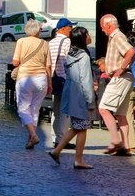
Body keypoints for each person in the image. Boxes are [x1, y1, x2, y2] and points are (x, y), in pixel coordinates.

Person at [48, 26, 97, 169]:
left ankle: (57, 151)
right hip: (80, 95)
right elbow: (85, 80)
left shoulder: (71, 54)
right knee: (82, 127)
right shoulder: (84, 56)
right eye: (87, 34)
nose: (89, 36)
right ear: (83, 38)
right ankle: (78, 159)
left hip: (70, 93)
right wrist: (90, 100)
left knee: (77, 126)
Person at [98, 14, 135, 156]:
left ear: (108, 25)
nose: (102, 30)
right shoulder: (116, 37)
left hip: (120, 77)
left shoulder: (117, 36)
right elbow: (133, 53)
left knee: (103, 109)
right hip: (126, 77)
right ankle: (125, 147)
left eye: (102, 27)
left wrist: (121, 68)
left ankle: (115, 141)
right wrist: (127, 66)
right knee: (120, 114)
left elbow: (131, 51)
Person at [12, 18, 52, 149]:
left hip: (25, 78)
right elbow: (48, 66)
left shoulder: (21, 41)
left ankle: (33, 135)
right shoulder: (44, 44)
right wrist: (50, 82)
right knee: (35, 109)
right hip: (41, 78)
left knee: (23, 109)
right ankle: (30, 140)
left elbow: (15, 62)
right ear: (37, 30)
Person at [49, 17, 77, 148]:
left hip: (53, 79)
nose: (72, 30)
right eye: (71, 27)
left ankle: (55, 137)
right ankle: (62, 139)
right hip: (64, 79)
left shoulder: (51, 42)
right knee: (65, 111)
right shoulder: (67, 42)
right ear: (65, 28)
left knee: (55, 110)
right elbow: (69, 61)